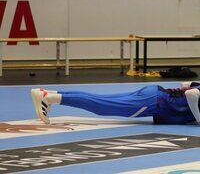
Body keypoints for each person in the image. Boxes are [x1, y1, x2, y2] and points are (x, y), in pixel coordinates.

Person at [31, 82, 200, 125]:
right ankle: (47, 97)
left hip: (154, 93)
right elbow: (191, 94)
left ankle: (50, 94)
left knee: (101, 100)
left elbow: (186, 84)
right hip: (154, 103)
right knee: (102, 106)